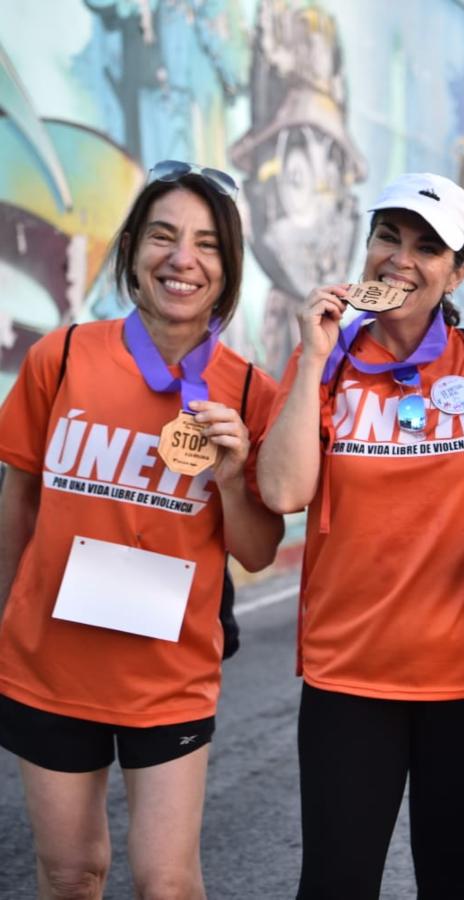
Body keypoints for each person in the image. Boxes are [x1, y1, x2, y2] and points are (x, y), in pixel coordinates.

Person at [256, 172, 464, 899]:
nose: (401, 258)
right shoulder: (327, 363)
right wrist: (312, 357)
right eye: (388, 237)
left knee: (453, 877)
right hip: (349, 676)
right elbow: (282, 491)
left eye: (428, 247)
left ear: (457, 272)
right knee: (336, 882)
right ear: (365, 247)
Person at [0, 159, 282, 899]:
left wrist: (230, 471)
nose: (181, 259)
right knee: (70, 873)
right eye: (162, 235)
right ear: (132, 251)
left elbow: (257, 549)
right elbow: (18, 499)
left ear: (227, 270)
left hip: (168, 675)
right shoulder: (59, 358)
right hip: (49, 663)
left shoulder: (251, 391)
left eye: (206, 244)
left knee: (167, 883)